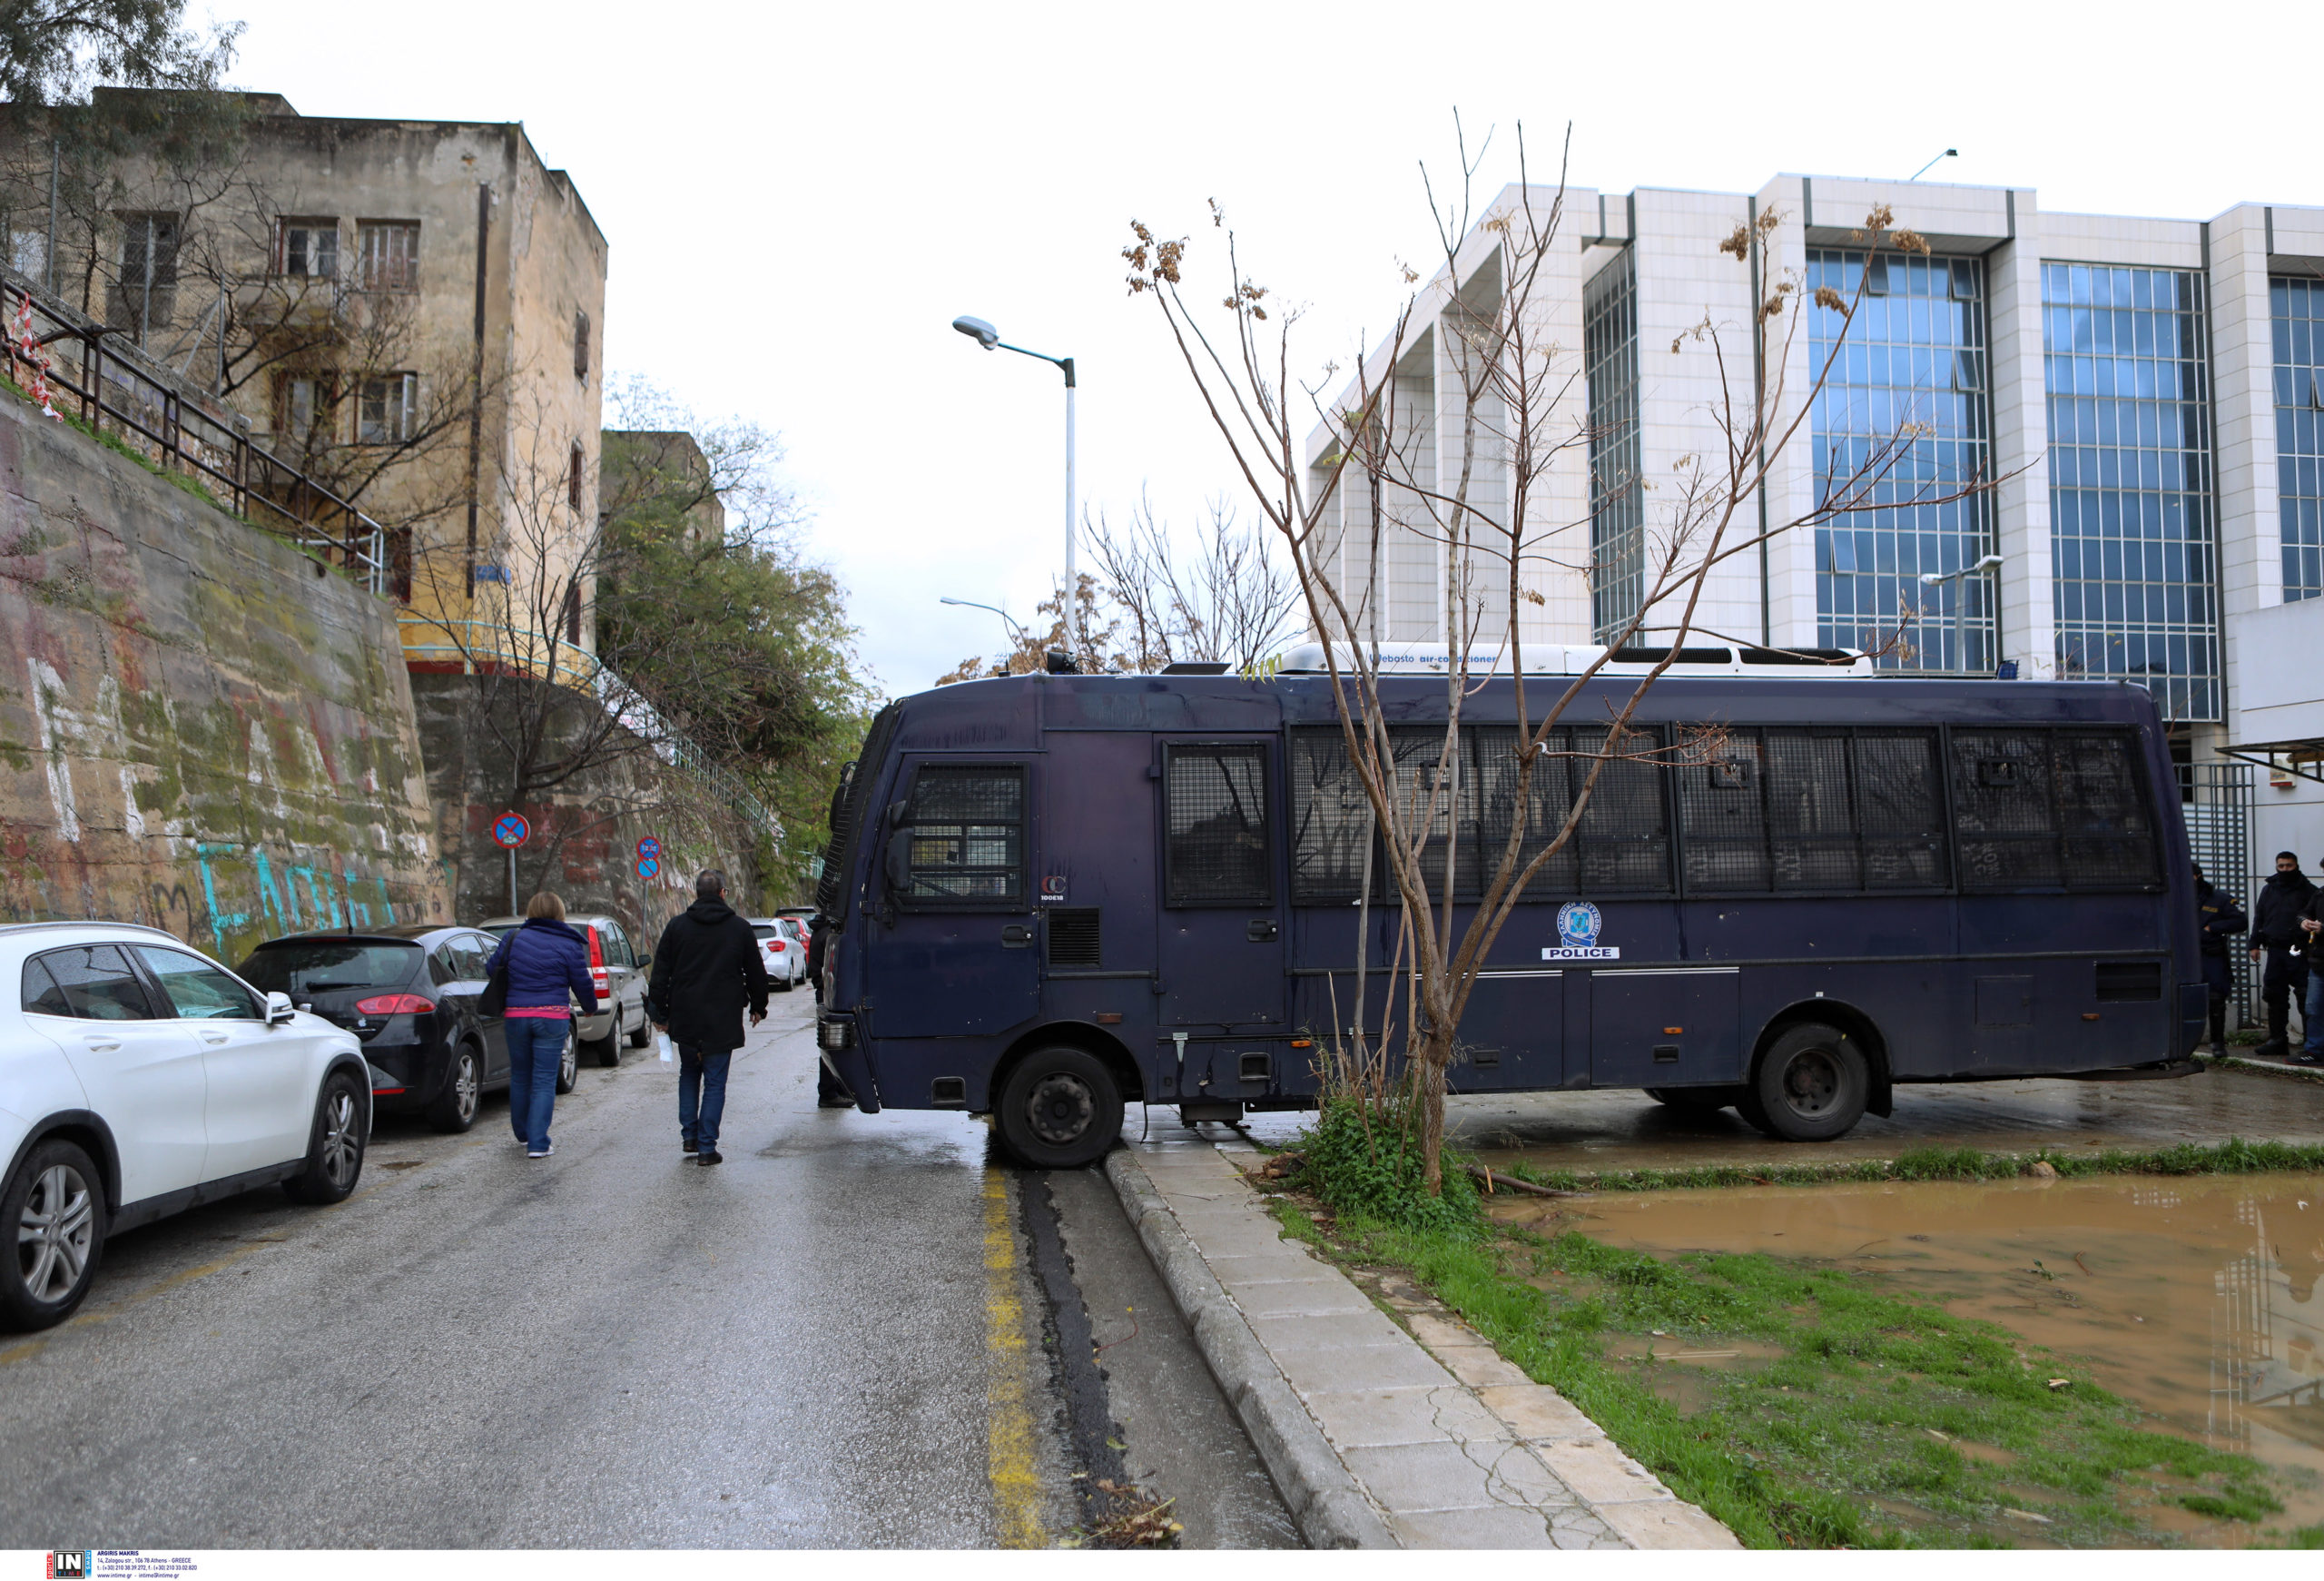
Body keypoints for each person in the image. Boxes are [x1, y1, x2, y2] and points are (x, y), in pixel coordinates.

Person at [646, 869, 770, 1165]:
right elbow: (756, 972)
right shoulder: (739, 928)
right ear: (723, 893)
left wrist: (659, 1012)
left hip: (685, 1016)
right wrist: (758, 1006)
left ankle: (690, 1136)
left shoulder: (677, 927)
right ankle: (706, 1148)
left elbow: (660, 973)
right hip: (722, 1018)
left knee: (689, 1073)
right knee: (715, 1082)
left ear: (697, 893)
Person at [484, 890, 598, 1159]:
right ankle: (538, 1143)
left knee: (520, 1075)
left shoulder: (514, 937)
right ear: (560, 912)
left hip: (516, 1017)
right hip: (552, 1018)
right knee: (545, 1079)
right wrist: (590, 1006)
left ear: (531, 911)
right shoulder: (569, 943)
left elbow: (491, 969)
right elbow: (581, 981)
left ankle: (523, 1134)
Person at [2248, 851, 2316, 1057]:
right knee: (2274, 994)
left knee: (2304, 995)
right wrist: (2254, 943)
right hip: (2275, 950)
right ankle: (2277, 1040)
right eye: (2281, 866)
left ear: (2296, 865)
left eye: (2289, 866)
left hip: (2298, 950)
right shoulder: (2269, 889)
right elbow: (2259, 917)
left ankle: (2311, 1043)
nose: (2285, 869)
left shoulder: (2308, 890)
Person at [2192, 862, 2247, 1055]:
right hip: (2185, 955)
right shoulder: (2177, 897)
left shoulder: (2219, 899)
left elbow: (2240, 921)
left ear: (2197, 876)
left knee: (2216, 997)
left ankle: (2217, 1043)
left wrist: (2212, 928)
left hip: (2211, 955)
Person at [805, 910, 855, 1109]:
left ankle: (835, 1089)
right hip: (829, 992)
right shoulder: (828, 935)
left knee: (834, 1042)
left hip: (824, 990)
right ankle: (828, 1092)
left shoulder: (820, 931)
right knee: (833, 1043)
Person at [2297, 865, 2324, 1067]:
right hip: (2319, 962)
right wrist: (2304, 922)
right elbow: (2304, 912)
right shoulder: (2320, 894)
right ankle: (2314, 1050)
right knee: (2313, 1008)